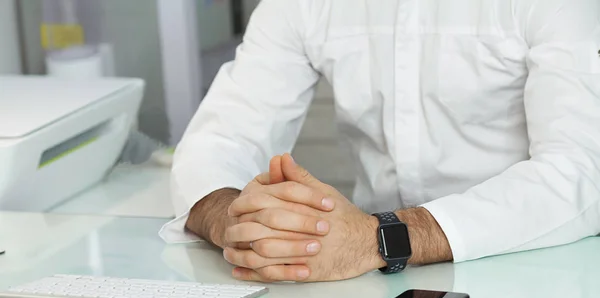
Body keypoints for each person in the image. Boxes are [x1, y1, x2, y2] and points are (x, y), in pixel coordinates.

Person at [160, 0, 600, 283]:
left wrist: (379, 237)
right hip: (372, 278)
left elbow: (581, 169)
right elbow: (220, 138)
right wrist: (237, 220)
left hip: (532, 264)